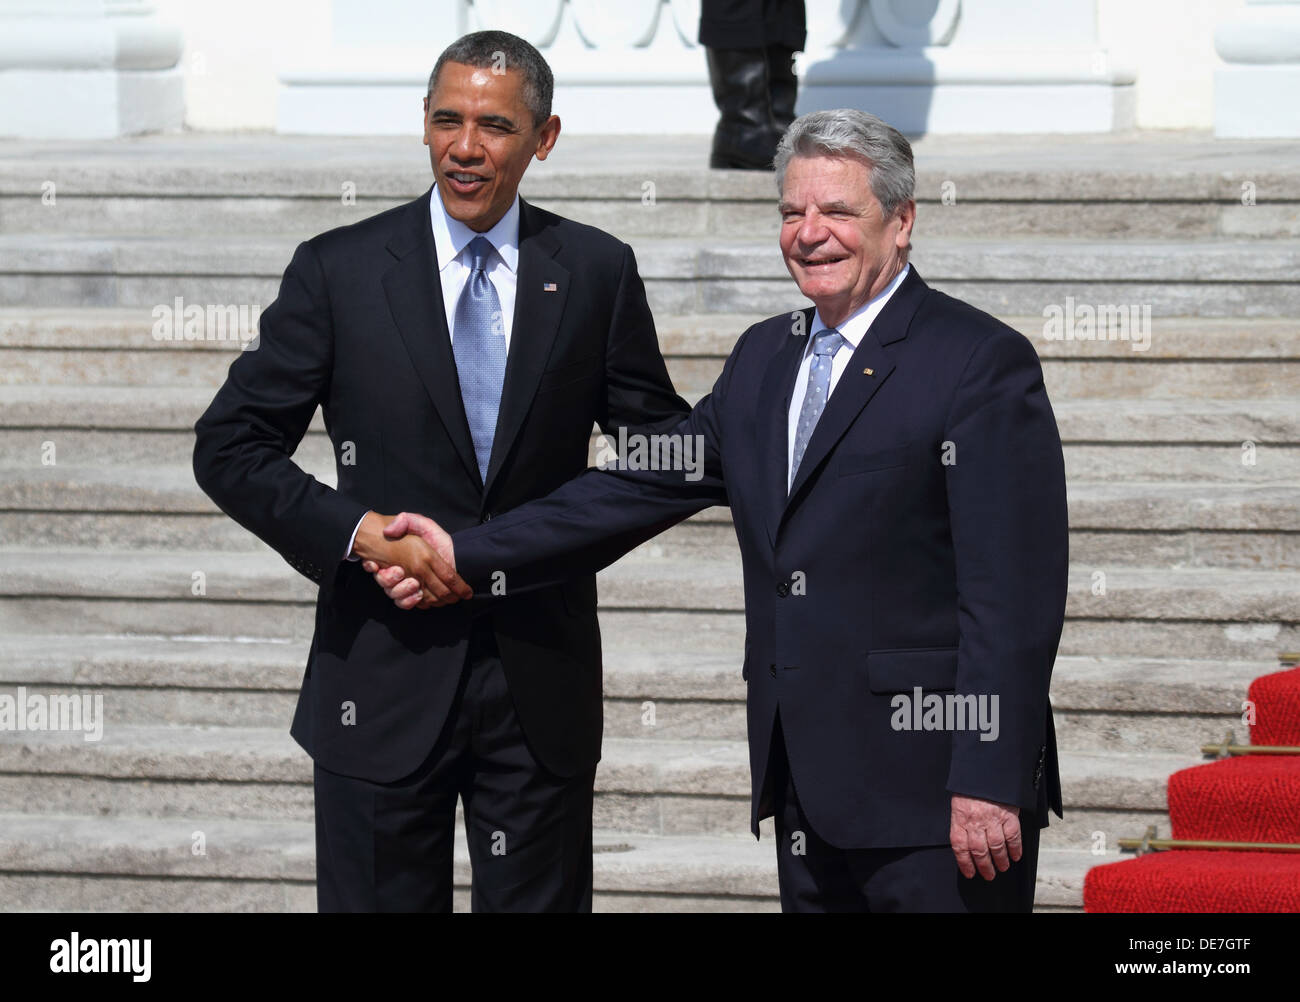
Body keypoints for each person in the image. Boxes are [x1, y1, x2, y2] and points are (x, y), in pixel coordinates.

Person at [368, 109, 1069, 912]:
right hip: (807, 787)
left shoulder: (979, 361)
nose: (810, 234)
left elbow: (1011, 596)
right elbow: (634, 487)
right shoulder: (765, 357)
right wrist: (468, 551)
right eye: (792, 212)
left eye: (838, 211)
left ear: (901, 221)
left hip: (936, 799)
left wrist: (987, 775)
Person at [192, 30, 690, 912]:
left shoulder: (596, 272)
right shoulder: (339, 270)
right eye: (446, 120)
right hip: (377, 682)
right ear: (423, 127)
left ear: (544, 138)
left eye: (495, 126)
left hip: (538, 685)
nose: (466, 146)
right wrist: (358, 534)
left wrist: (514, 551)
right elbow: (229, 445)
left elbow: (664, 461)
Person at [700, 0, 807, 169]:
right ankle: (747, 128)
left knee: (784, 7)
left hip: (777, 134)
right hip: (749, 134)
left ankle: (777, 123)